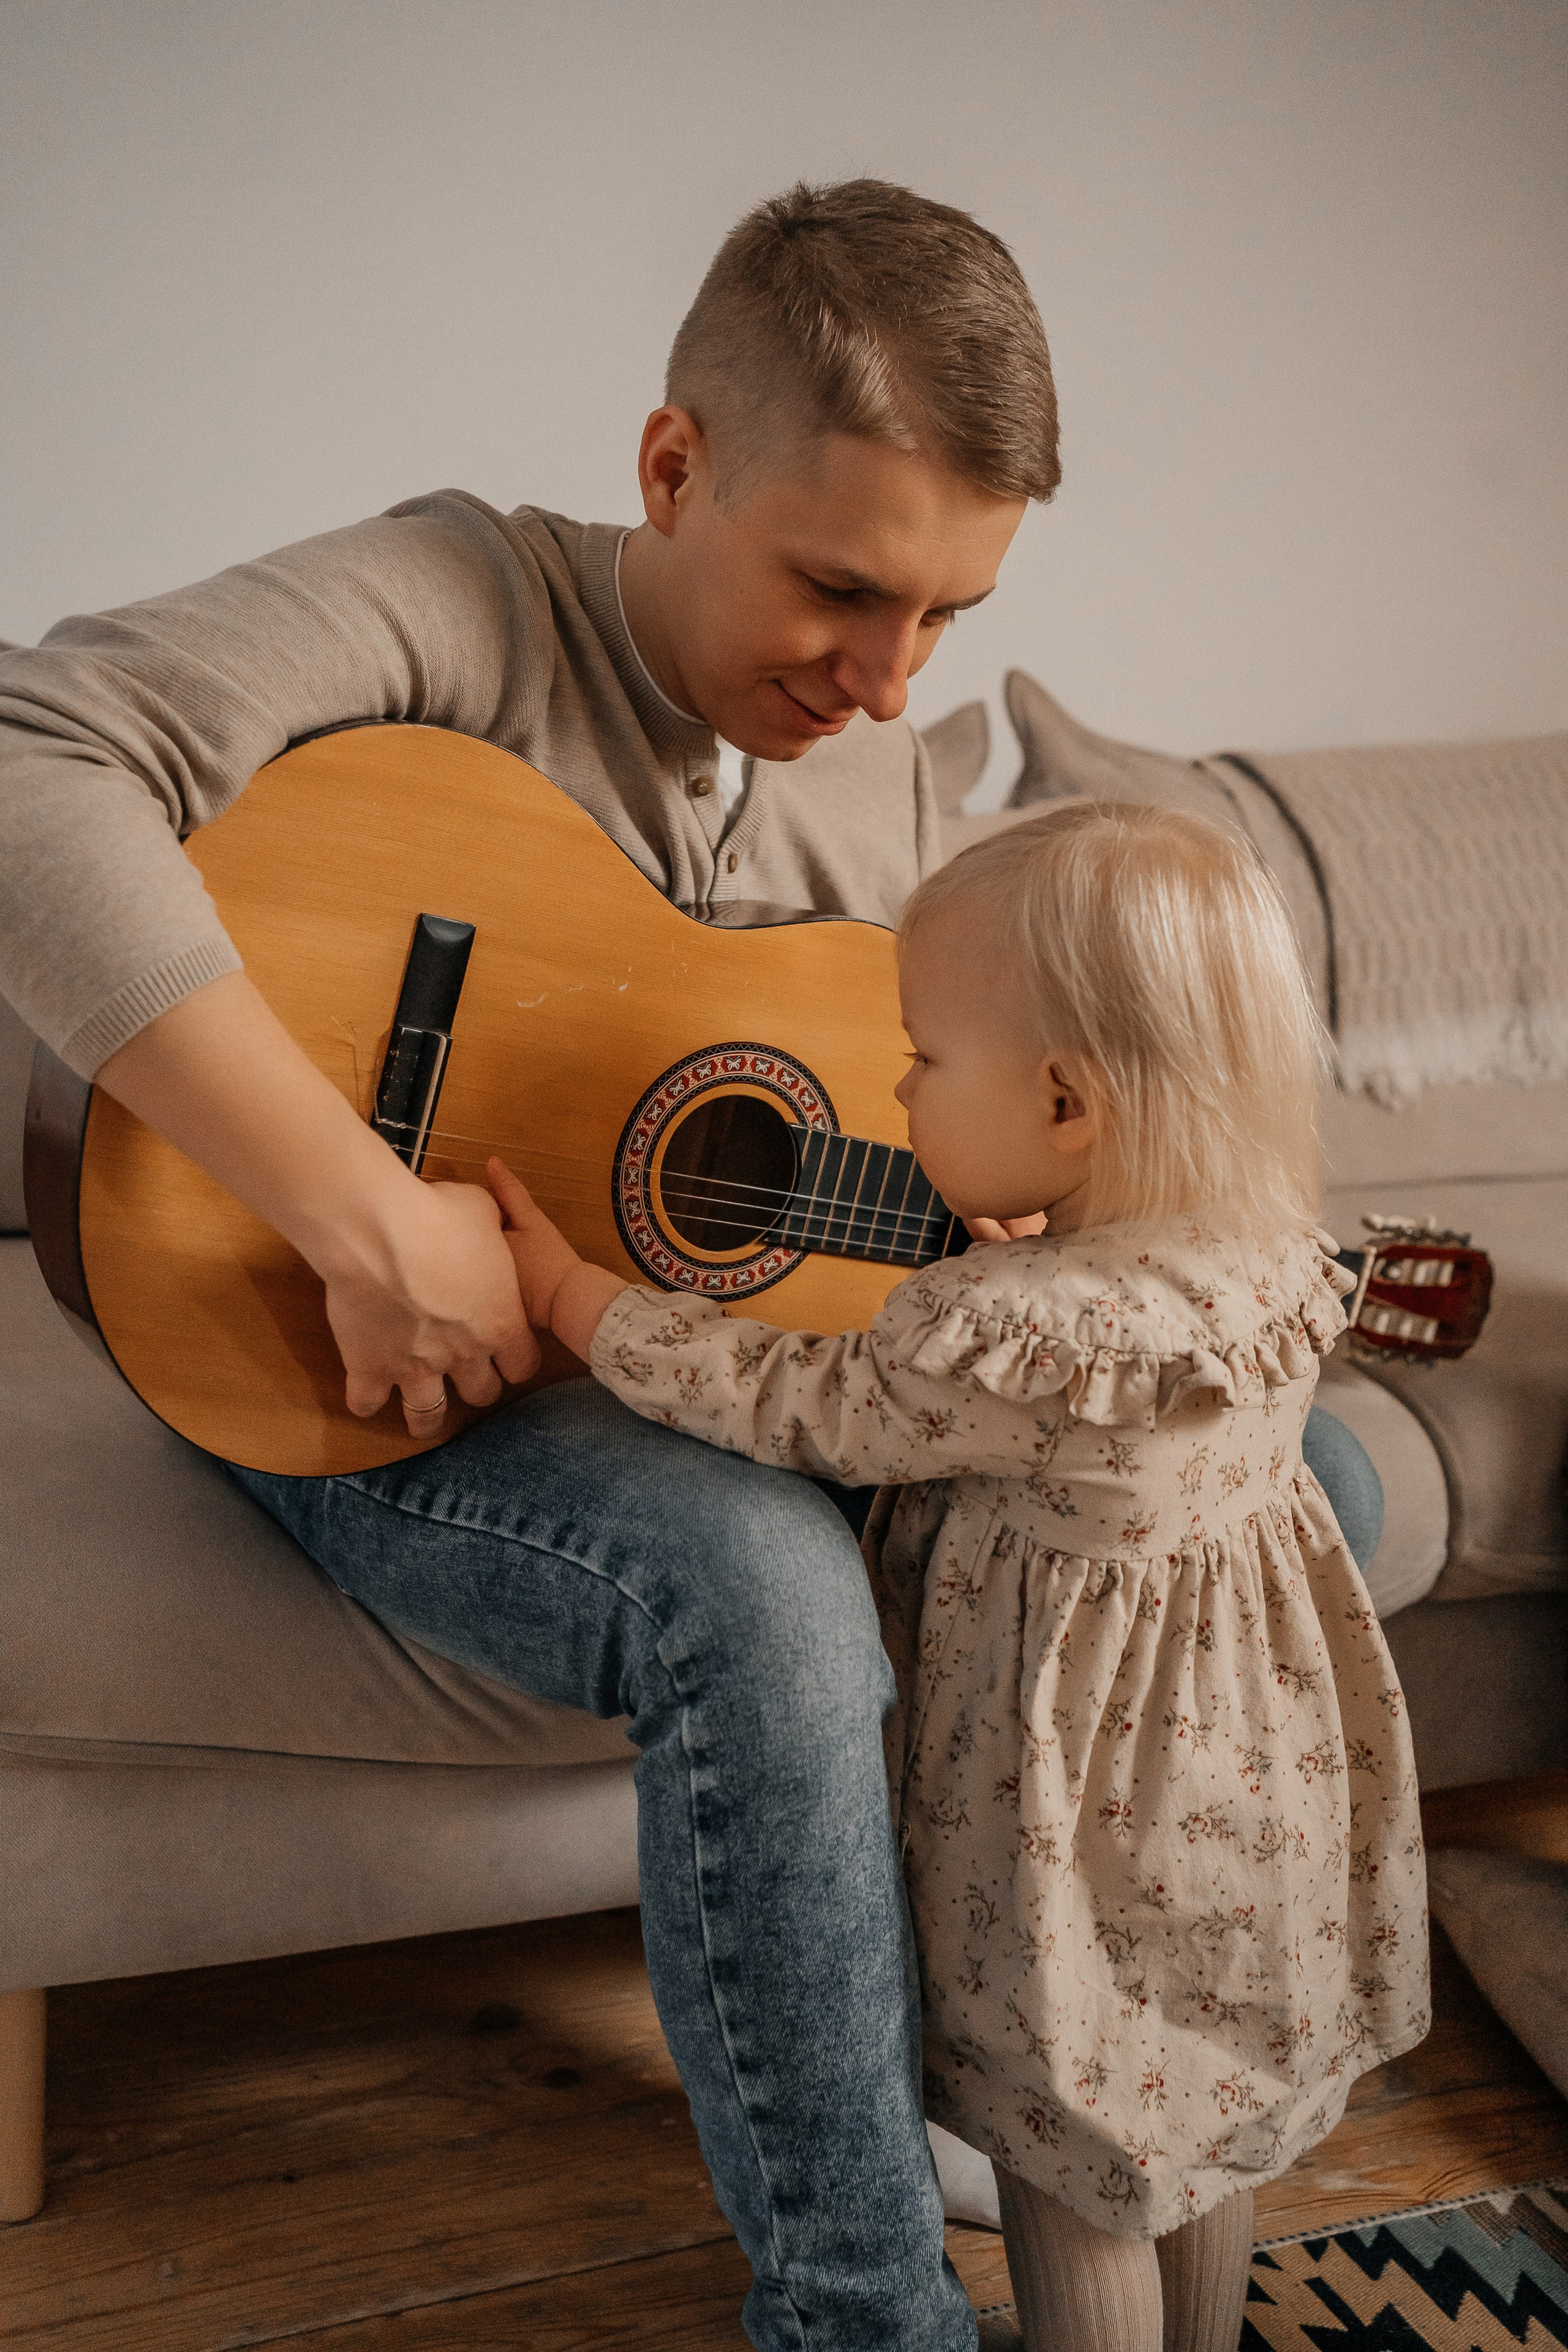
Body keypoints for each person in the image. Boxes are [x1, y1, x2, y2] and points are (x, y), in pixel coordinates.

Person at [0, 182, 1385, 2350]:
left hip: (687, 1369)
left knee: (1315, 1496)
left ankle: (1105, 2096)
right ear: (674, 468)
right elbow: (26, 758)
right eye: (842, 587)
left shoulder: (888, 798)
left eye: (948, 614)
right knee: (759, 1589)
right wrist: (363, 1218)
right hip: (307, 1351)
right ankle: (867, 2314)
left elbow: (930, 1203)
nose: (890, 679)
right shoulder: (459, 594)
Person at [483, 797, 1431, 2352]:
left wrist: (580, 1297)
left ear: (1065, 1103)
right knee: (1184, 2145)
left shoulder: (992, 1332)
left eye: (923, 1056)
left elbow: (791, 1399)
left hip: (1068, 1841)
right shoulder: (1273, 1265)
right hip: (1247, 1802)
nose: (897, 1085)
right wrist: (1020, 1254)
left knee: (1069, 2169)